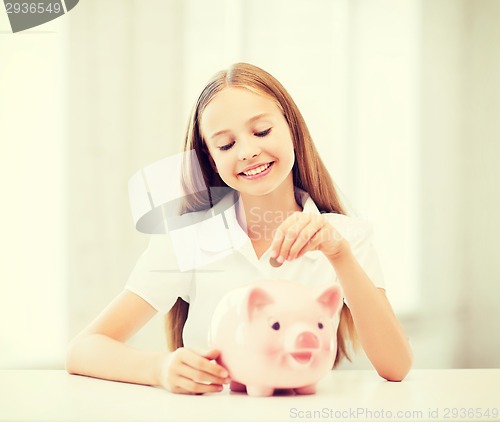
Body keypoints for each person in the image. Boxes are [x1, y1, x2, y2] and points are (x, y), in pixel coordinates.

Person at [66, 62, 413, 395]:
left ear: (292, 129)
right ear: (211, 160)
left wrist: (339, 254)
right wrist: (159, 369)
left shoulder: (345, 238)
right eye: (226, 145)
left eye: (262, 131)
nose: (248, 151)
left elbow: (395, 367)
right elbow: (83, 349)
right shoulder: (186, 239)